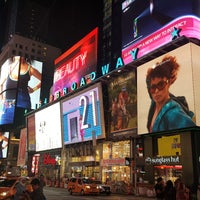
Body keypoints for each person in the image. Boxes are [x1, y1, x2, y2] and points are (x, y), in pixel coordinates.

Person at [146, 55, 196, 133]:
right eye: (153, 87)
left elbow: (193, 135)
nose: (156, 91)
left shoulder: (174, 113)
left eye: (161, 85)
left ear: (169, 82)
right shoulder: (154, 102)